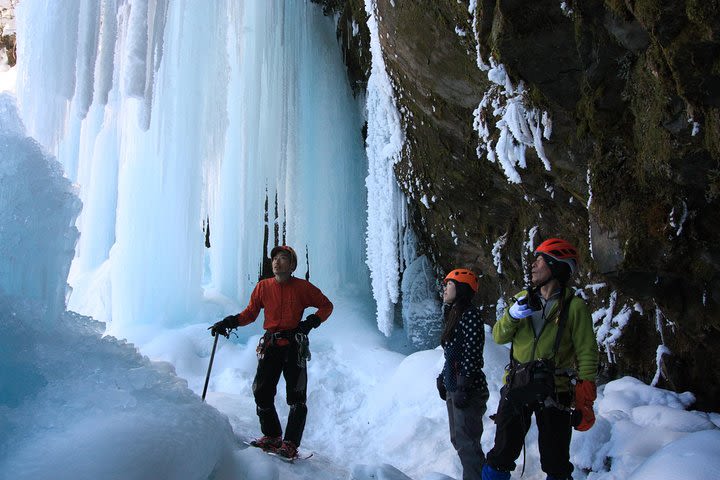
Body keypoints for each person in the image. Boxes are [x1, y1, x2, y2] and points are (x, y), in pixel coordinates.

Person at [481, 238, 599, 480]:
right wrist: (512, 316)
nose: (533, 265)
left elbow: (586, 351)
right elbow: (498, 335)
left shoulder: (574, 307)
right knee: (502, 453)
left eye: (540, 260)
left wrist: (585, 390)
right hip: (518, 384)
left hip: (555, 389)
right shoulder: (522, 298)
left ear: (556, 266)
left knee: (556, 461)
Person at [209, 245, 333, 459]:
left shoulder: (303, 287)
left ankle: (291, 443)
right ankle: (272, 435)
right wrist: (230, 322)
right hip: (271, 344)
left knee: (296, 397)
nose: (276, 262)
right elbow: (250, 313)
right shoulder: (263, 287)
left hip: (294, 344)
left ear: (292, 265)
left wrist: (311, 322)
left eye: (283, 258)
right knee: (261, 391)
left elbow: (326, 306)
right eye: (274, 258)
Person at [436, 268, 489, 480]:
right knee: (459, 440)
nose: (444, 288)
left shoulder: (470, 316)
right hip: (454, 386)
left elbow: (472, 352)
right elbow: (453, 354)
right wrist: (442, 378)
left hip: (467, 389)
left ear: (461, 288)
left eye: (449, 284)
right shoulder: (455, 314)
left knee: (467, 443)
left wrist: (463, 384)